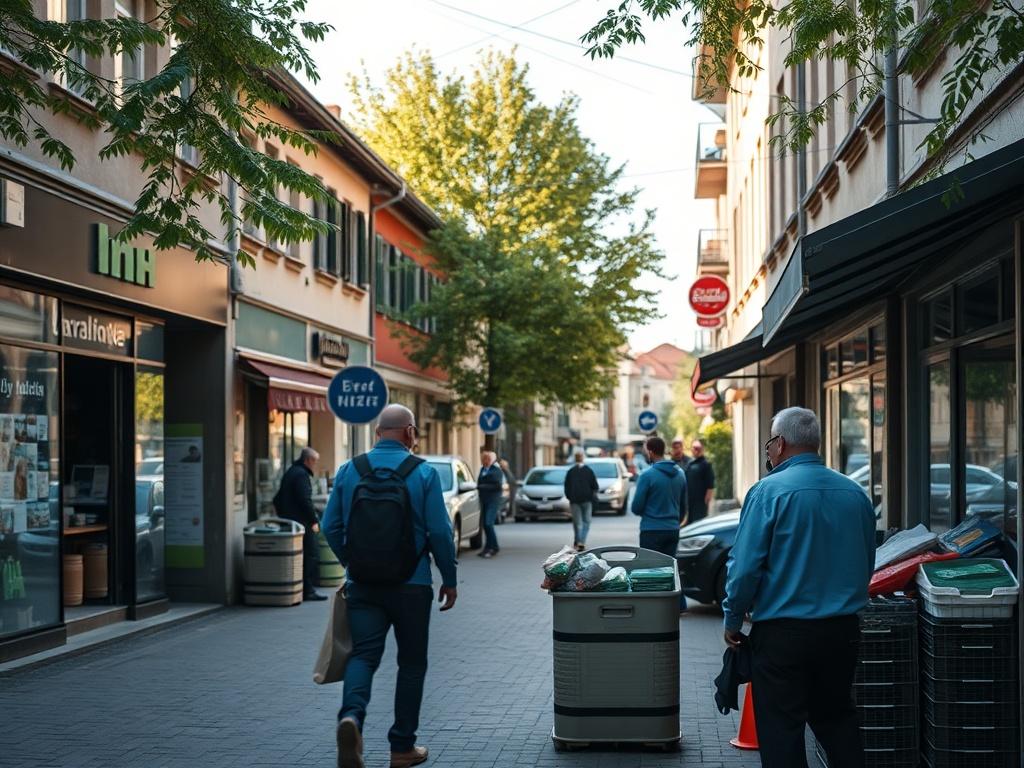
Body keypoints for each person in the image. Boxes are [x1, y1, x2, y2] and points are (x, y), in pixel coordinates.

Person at [722, 407, 875, 768]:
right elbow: (866, 562)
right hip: (842, 631)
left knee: (782, 730)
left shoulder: (768, 492)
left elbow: (744, 570)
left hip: (783, 635)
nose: (769, 452)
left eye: (769, 444)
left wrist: (732, 620)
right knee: (837, 718)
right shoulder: (856, 494)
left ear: (780, 443)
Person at [321, 405, 458, 768]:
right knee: (411, 664)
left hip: (363, 584)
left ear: (378, 432)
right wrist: (450, 578)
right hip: (412, 584)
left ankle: (351, 717)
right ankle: (401, 748)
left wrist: (353, 563)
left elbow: (329, 526)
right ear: (410, 433)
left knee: (364, 655)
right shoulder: (424, 472)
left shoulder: (351, 470)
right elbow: (440, 532)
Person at [630, 435, 689, 614]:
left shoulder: (647, 475)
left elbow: (636, 507)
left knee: (650, 570)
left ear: (650, 452)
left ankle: (653, 609)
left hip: (651, 529)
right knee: (671, 567)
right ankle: (679, 605)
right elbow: (684, 506)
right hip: (672, 529)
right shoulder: (680, 473)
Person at [273, 446, 326, 601]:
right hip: (301, 521)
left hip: (291, 521)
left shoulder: (292, 472)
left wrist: (283, 515)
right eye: (314, 461)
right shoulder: (301, 475)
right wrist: (313, 520)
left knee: (299, 554)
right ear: (307, 460)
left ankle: (299, 587)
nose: (315, 465)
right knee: (311, 552)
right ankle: (307, 590)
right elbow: (305, 500)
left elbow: (277, 499)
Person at [564, 451, 599, 551]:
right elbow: (595, 486)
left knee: (577, 522)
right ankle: (581, 541)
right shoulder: (588, 471)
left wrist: (570, 496)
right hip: (587, 500)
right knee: (586, 521)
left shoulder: (571, 472)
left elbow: (567, 486)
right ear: (583, 458)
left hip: (574, 500)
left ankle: (577, 540)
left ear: (575, 459)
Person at [476, 450, 504, 557]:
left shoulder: (496, 470)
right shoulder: (482, 470)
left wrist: (483, 486)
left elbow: (497, 485)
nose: (484, 461)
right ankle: (491, 547)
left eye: (486, 459)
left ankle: (491, 547)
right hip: (484, 500)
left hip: (493, 500)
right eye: (482, 459)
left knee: (488, 523)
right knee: (486, 525)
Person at [684, 439, 715, 524]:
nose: (696, 451)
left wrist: (706, 503)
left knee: (698, 524)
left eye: (698, 448)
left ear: (702, 449)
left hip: (700, 503)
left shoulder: (706, 464)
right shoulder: (689, 463)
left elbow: (710, 485)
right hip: (689, 502)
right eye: (694, 448)